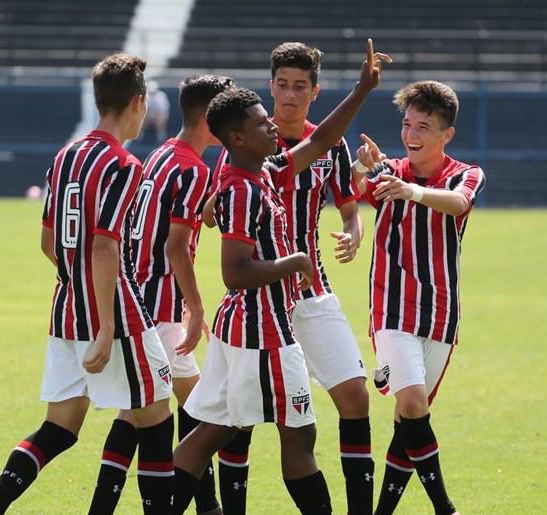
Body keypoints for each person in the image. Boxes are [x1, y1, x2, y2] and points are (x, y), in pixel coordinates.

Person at [172, 39, 391, 515]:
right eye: (274, 98)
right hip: (262, 317)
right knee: (270, 430)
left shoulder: (265, 168)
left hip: (280, 307)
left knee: (223, 426)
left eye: (299, 87)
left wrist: (361, 90)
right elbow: (232, 267)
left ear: (313, 90)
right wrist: (292, 261)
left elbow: (320, 143)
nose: (279, 113)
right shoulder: (241, 181)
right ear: (238, 135)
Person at [0, 54, 174, 515]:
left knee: (59, 428)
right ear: (139, 102)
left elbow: (49, 240)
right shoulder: (124, 164)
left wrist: (77, 286)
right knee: (157, 420)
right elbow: (105, 248)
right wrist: (105, 326)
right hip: (115, 315)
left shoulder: (67, 155)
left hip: (66, 310)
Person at [351, 80, 486, 515]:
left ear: (447, 134)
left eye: (423, 127)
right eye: (407, 124)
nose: (411, 135)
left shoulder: (466, 173)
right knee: (412, 402)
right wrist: (360, 170)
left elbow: (458, 204)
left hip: (441, 314)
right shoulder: (388, 172)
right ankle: (445, 508)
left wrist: (412, 191)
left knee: (409, 418)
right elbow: (351, 194)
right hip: (391, 309)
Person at [122, 74, 236, 515]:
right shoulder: (192, 168)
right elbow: (174, 246)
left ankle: (207, 507)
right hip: (163, 309)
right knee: (199, 413)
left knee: (192, 409)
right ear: (212, 118)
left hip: (145, 299)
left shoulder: (162, 155)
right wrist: (196, 306)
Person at [141, 80, 171, 144]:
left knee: (160, 115)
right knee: (146, 114)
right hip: (147, 116)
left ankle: (160, 134)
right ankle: (140, 133)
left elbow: (164, 110)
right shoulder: (145, 96)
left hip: (159, 116)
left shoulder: (162, 96)